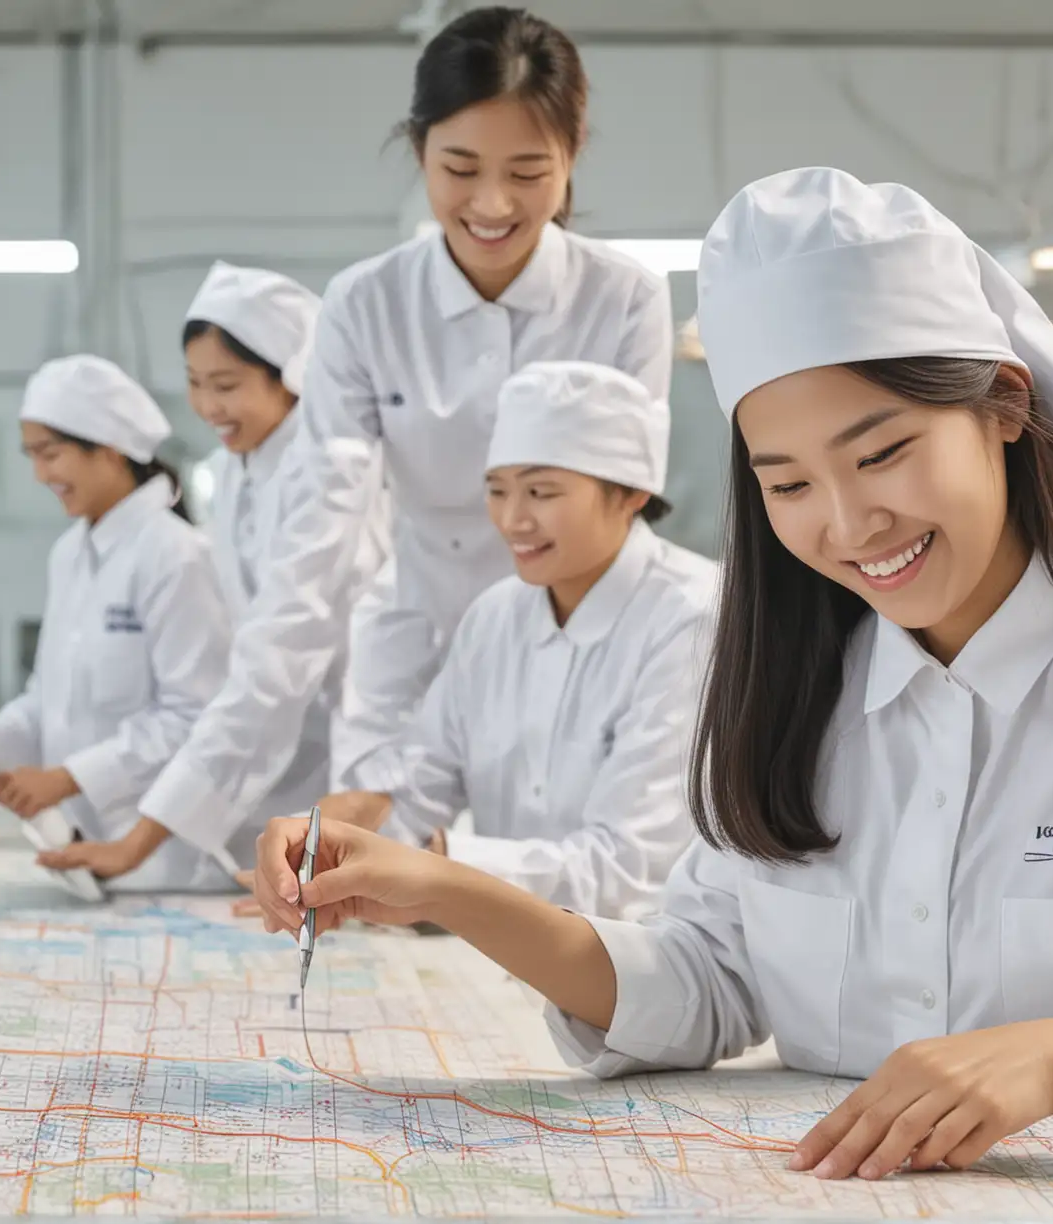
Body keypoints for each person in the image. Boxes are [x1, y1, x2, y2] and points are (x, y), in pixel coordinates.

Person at [250, 169, 1053, 1184]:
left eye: (881, 451)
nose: (845, 524)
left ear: (1003, 407)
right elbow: (705, 977)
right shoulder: (803, 698)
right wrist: (443, 889)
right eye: (787, 483)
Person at [133, 6, 675, 884]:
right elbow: (317, 547)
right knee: (368, 897)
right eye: (460, 168)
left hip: (573, 642)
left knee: (549, 894)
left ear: (572, 160)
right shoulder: (366, 303)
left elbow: (617, 503)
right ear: (417, 149)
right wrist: (178, 805)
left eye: (529, 172)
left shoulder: (624, 301)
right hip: (408, 636)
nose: (492, 205)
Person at [320, 361, 711, 919]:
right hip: (510, 955)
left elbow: (630, 868)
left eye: (541, 491)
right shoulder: (495, 616)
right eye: (498, 490)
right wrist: (358, 821)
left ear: (631, 493)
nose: (512, 519)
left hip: (644, 970)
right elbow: (430, 776)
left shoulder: (693, 622)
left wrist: (437, 868)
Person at [0, 355, 238, 891]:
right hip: (82, 855)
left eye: (50, 454)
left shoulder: (176, 556)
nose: (40, 475)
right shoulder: (70, 554)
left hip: (166, 868)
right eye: (31, 456)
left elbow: (195, 716)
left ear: (107, 447)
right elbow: (46, 702)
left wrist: (68, 779)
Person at [184, 262, 389, 824]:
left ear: (290, 377)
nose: (207, 406)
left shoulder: (328, 468)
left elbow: (287, 636)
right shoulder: (232, 470)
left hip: (358, 738)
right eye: (195, 383)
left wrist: (169, 814)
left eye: (225, 386)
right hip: (282, 738)